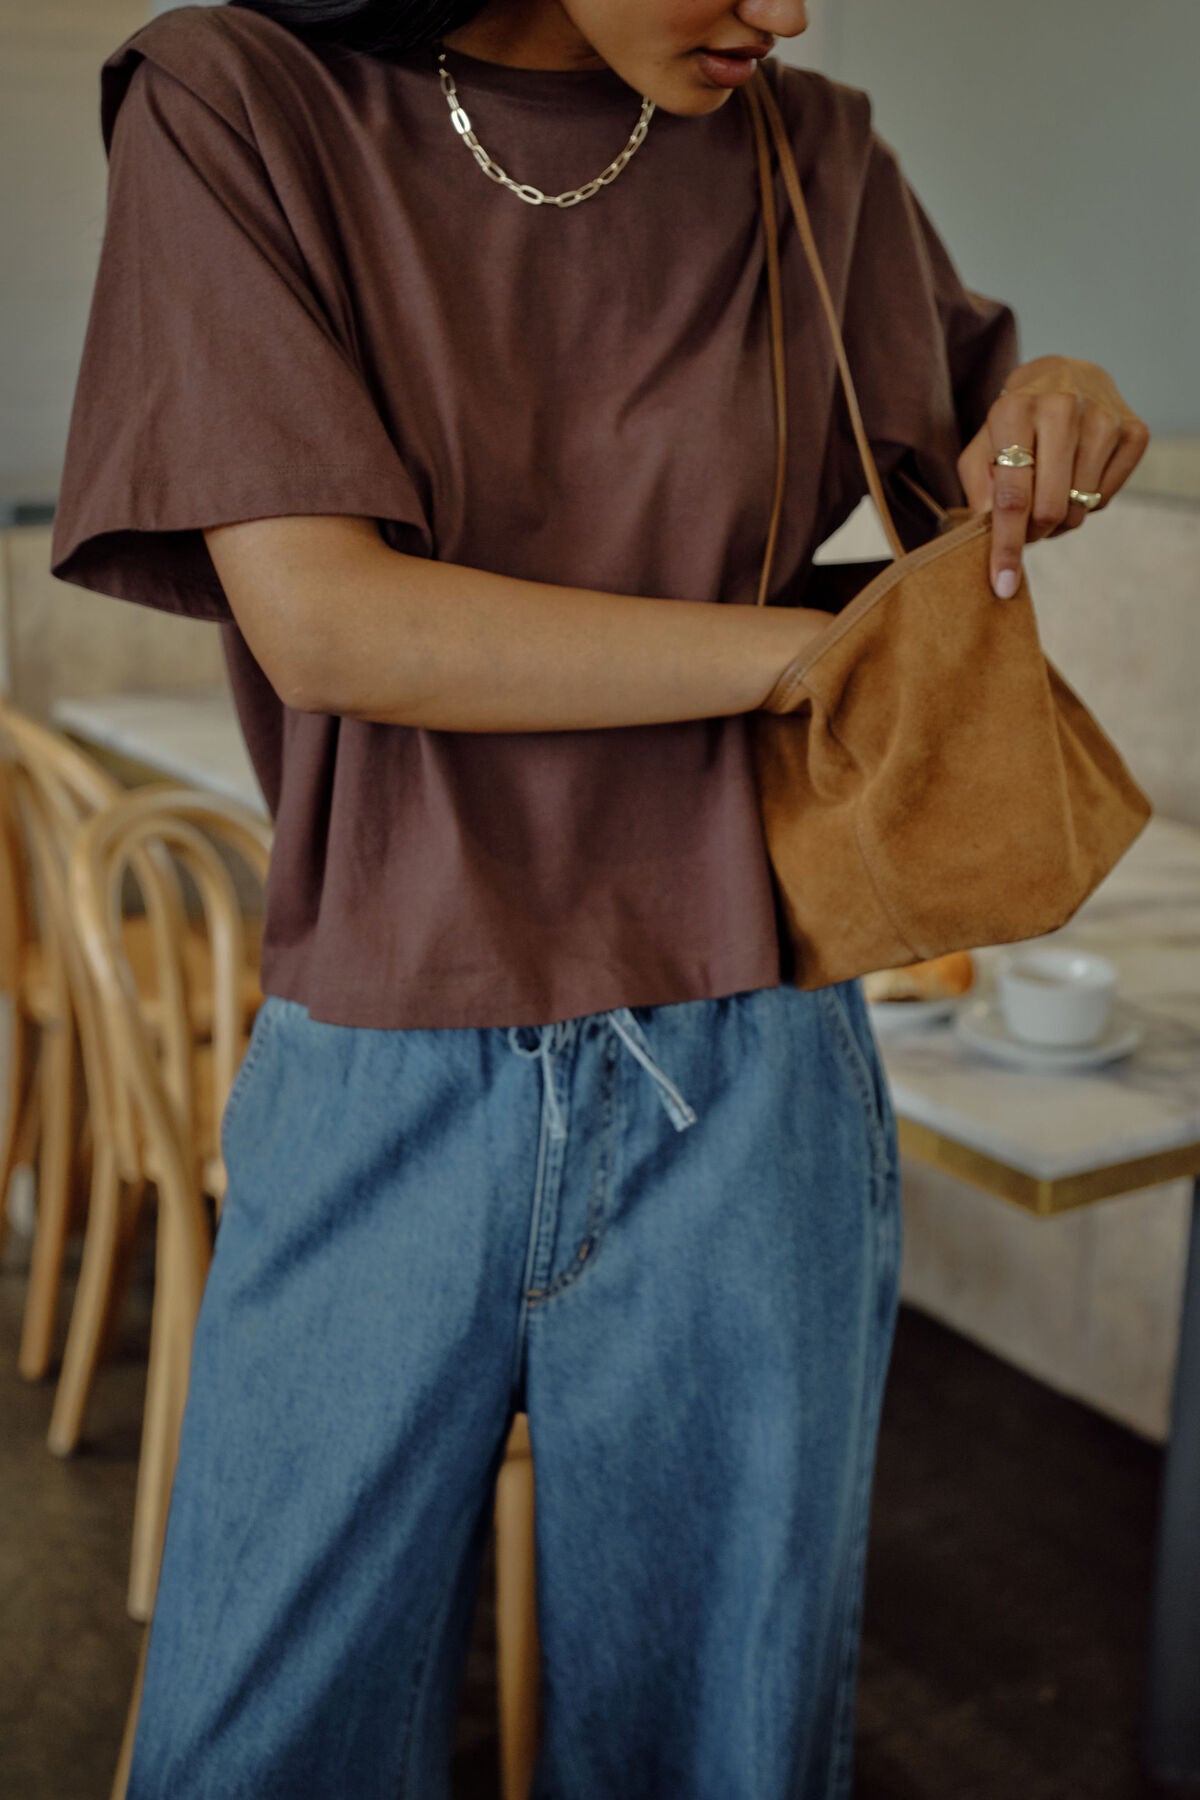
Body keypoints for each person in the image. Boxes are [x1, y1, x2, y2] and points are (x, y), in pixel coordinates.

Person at [48, 0, 1147, 1793]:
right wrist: (807, 657)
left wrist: (1056, 404)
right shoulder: (236, 101)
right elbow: (335, 626)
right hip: (387, 1052)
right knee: (255, 1746)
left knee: (722, 1743)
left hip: (755, 1053)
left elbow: (979, 461)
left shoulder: (815, 152)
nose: (783, 8)